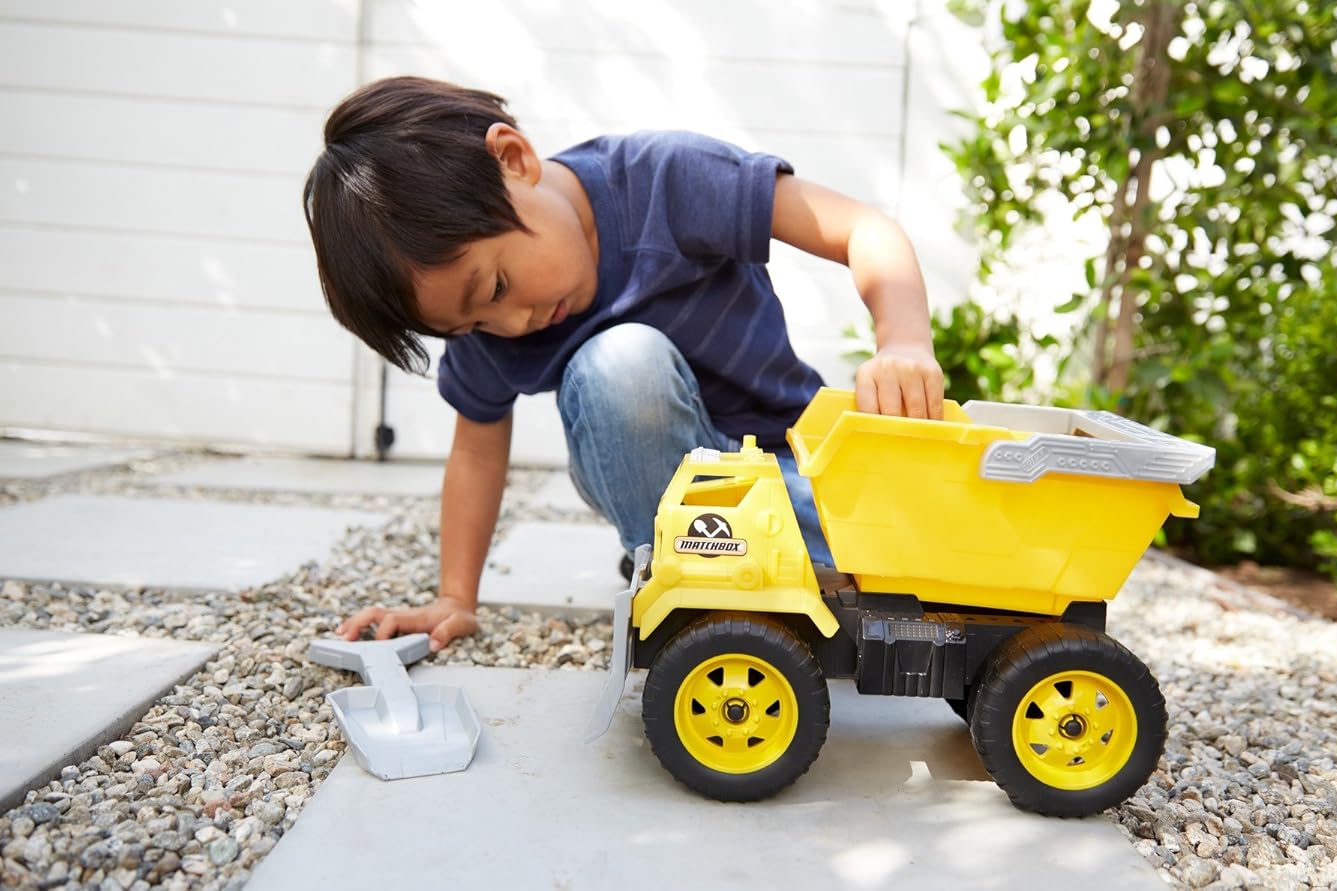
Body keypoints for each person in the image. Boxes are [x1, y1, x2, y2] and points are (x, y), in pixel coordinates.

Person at [304, 76, 944, 651]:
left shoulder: (667, 179)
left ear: (514, 160)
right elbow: (475, 449)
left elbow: (861, 229)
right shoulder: (493, 330)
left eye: (494, 289)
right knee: (620, 363)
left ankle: (778, 563)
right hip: (668, 490)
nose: (509, 325)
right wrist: (454, 599)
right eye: (469, 326)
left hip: (788, 465)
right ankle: (690, 574)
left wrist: (905, 340)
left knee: (940, 528)